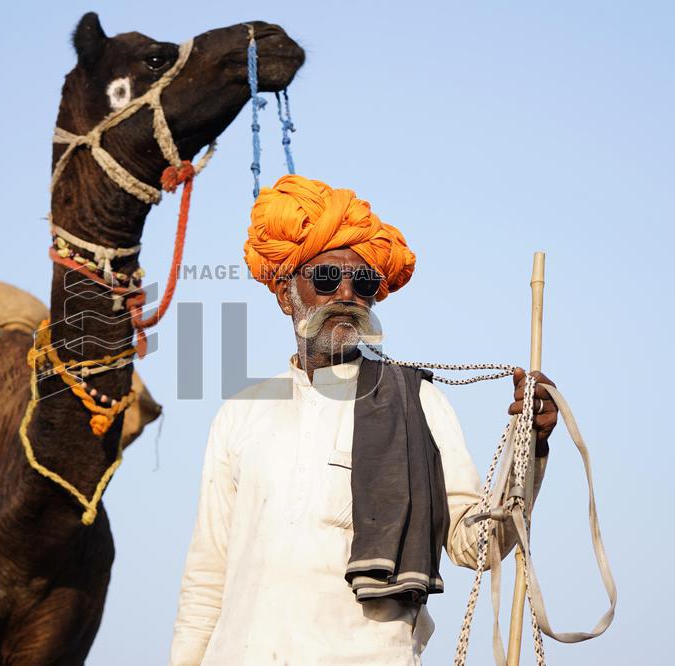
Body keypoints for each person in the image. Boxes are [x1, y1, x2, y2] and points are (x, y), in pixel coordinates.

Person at [169, 175, 558, 665]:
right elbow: (207, 578)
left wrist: (532, 450)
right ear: (287, 294)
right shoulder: (242, 412)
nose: (347, 294)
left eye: (365, 283)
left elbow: (473, 542)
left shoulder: (418, 402)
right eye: (327, 279)